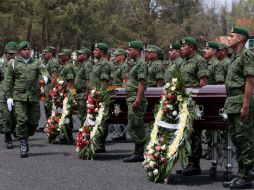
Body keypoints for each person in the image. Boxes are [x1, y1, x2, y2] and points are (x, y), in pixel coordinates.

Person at [4, 41, 49, 158]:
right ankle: (23, 144)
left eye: (28, 49)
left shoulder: (37, 62)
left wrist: (45, 77)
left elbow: (44, 71)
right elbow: (8, 82)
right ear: (19, 51)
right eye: (24, 49)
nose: (27, 51)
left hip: (33, 96)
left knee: (34, 121)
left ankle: (25, 136)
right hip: (19, 97)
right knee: (21, 120)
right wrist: (8, 97)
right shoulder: (13, 63)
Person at [222, 27, 254, 189]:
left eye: (232, 36)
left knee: (245, 140)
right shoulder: (235, 56)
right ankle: (242, 173)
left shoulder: (246, 55)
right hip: (232, 102)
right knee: (236, 139)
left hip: (241, 100)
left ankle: (247, 176)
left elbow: (250, 82)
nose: (229, 38)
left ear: (241, 39)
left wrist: (246, 106)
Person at [176, 36, 208, 175]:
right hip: (183, 101)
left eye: (184, 46)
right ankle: (190, 163)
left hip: (194, 102)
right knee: (186, 133)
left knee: (194, 133)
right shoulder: (183, 62)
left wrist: (188, 88)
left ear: (192, 47)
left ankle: (195, 165)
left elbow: (203, 83)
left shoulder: (199, 61)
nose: (181, 49)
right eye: (181, 46)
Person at [123, 40, 148, 162]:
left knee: (136, 126)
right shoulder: (135, 63)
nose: (128, 52)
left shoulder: (141, 64)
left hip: (136, 99)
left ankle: (141, 152)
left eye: (130, 49)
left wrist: (138, 99)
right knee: (134, 125)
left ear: (137, 51)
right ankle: (139, 151)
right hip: (131, 98)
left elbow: (142, 82)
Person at [89, 42, 111, 153]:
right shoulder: (98, 63)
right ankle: (95, 142)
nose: (94, 52)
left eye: (96, 50)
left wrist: (100, 96)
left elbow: (104, 81)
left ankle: (101, 144)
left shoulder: (104, 64)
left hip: (100, 96)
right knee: (94, 119)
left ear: (102, 52)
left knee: (102, 120)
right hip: (94, 95)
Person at [0, 41, 18, 149]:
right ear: (5, 53)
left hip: (15, 93)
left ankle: (14, 129)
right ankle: (8, 138)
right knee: (6, 117)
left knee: (16, 115)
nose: (12, 56)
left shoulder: (17, 63)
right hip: (2, 93)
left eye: (13, 54)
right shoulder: (1, 63)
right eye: (10, 54)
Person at [74, 48, 93, 126]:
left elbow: (88, 80)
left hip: (83, 93)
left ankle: (86, 135)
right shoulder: (82, 65)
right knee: (82, 116)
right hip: (79, 93)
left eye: (80, 54)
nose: (78, 55)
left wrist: (87, 94)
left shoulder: (87, 65)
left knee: (84, 116)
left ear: (85, 55)